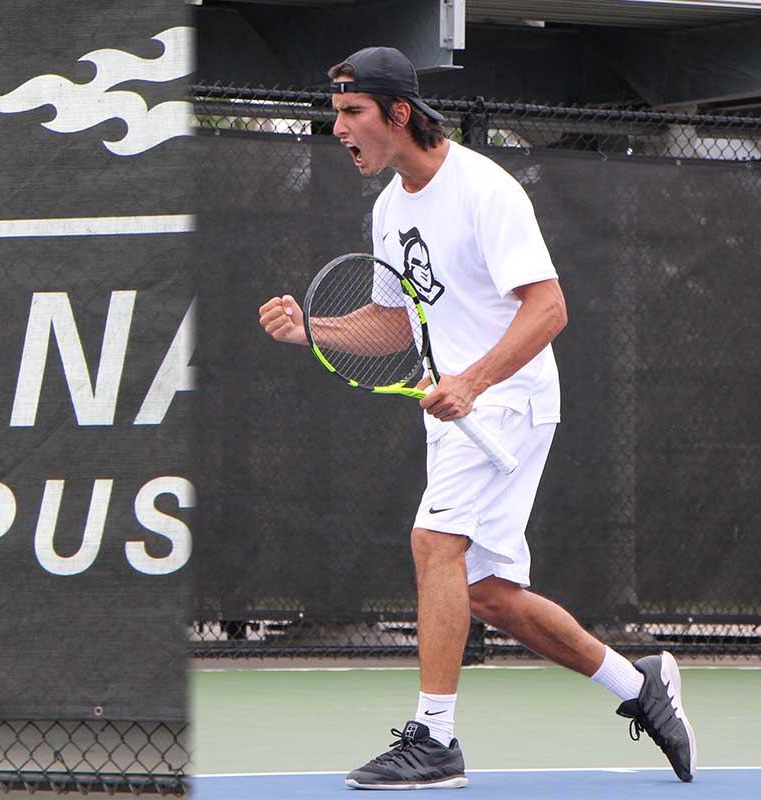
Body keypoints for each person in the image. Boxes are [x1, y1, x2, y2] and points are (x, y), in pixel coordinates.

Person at [258, 47, 695, 790]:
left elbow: (548, 307)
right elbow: (394, 325)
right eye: (336, 113)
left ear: (398, 114)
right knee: (486, 591)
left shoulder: (485, 190)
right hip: (460, 413)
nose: (338, 129)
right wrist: (314, 329)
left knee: (434, 543)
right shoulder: (391, 209)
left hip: (508, 401)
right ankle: (641, 685)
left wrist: (472, 380)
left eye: (351, 113)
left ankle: (434, 740)